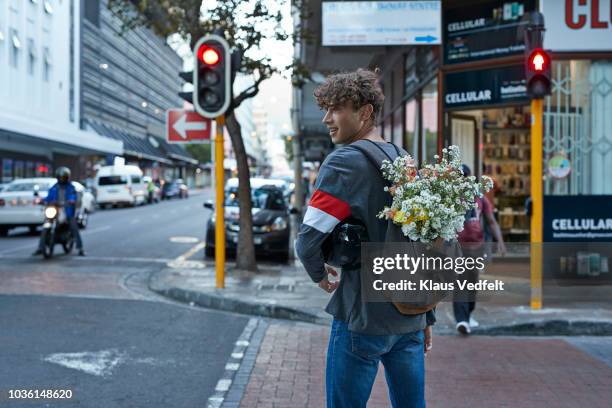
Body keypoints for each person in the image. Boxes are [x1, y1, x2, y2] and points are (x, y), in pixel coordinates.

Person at [296, 69, 434, 408]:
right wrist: (426, 317)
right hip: (409, 315)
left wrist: (318, 273)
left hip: (362, 317)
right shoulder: (402, 159)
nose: (327, 119)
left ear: (365, 112)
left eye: (337, 109)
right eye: (325, 109)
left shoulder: (344, 162)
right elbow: (420, 239)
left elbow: (307, 240)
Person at [454, 164, 506, 335]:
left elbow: (491, 221)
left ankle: (467, 316)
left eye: (465, 176)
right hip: (458, 247)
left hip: (477, 245)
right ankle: (461, 320)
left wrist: (500, 241)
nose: (462, 179)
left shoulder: (480, 198)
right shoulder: (452, 197)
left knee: (472, 283)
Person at [33, 167, 85, 256]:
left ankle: (80, 248)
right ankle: (40, 248)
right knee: (45, 225)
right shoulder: (54, 187)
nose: (62, 179)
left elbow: (73, 196)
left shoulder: (71, 187)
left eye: (63, 177)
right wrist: (41, 200)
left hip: (67, 210)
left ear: (67, 177)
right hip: (55, 209)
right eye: (60, 177)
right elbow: (48, 197)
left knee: (73, 226)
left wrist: (71, 201)